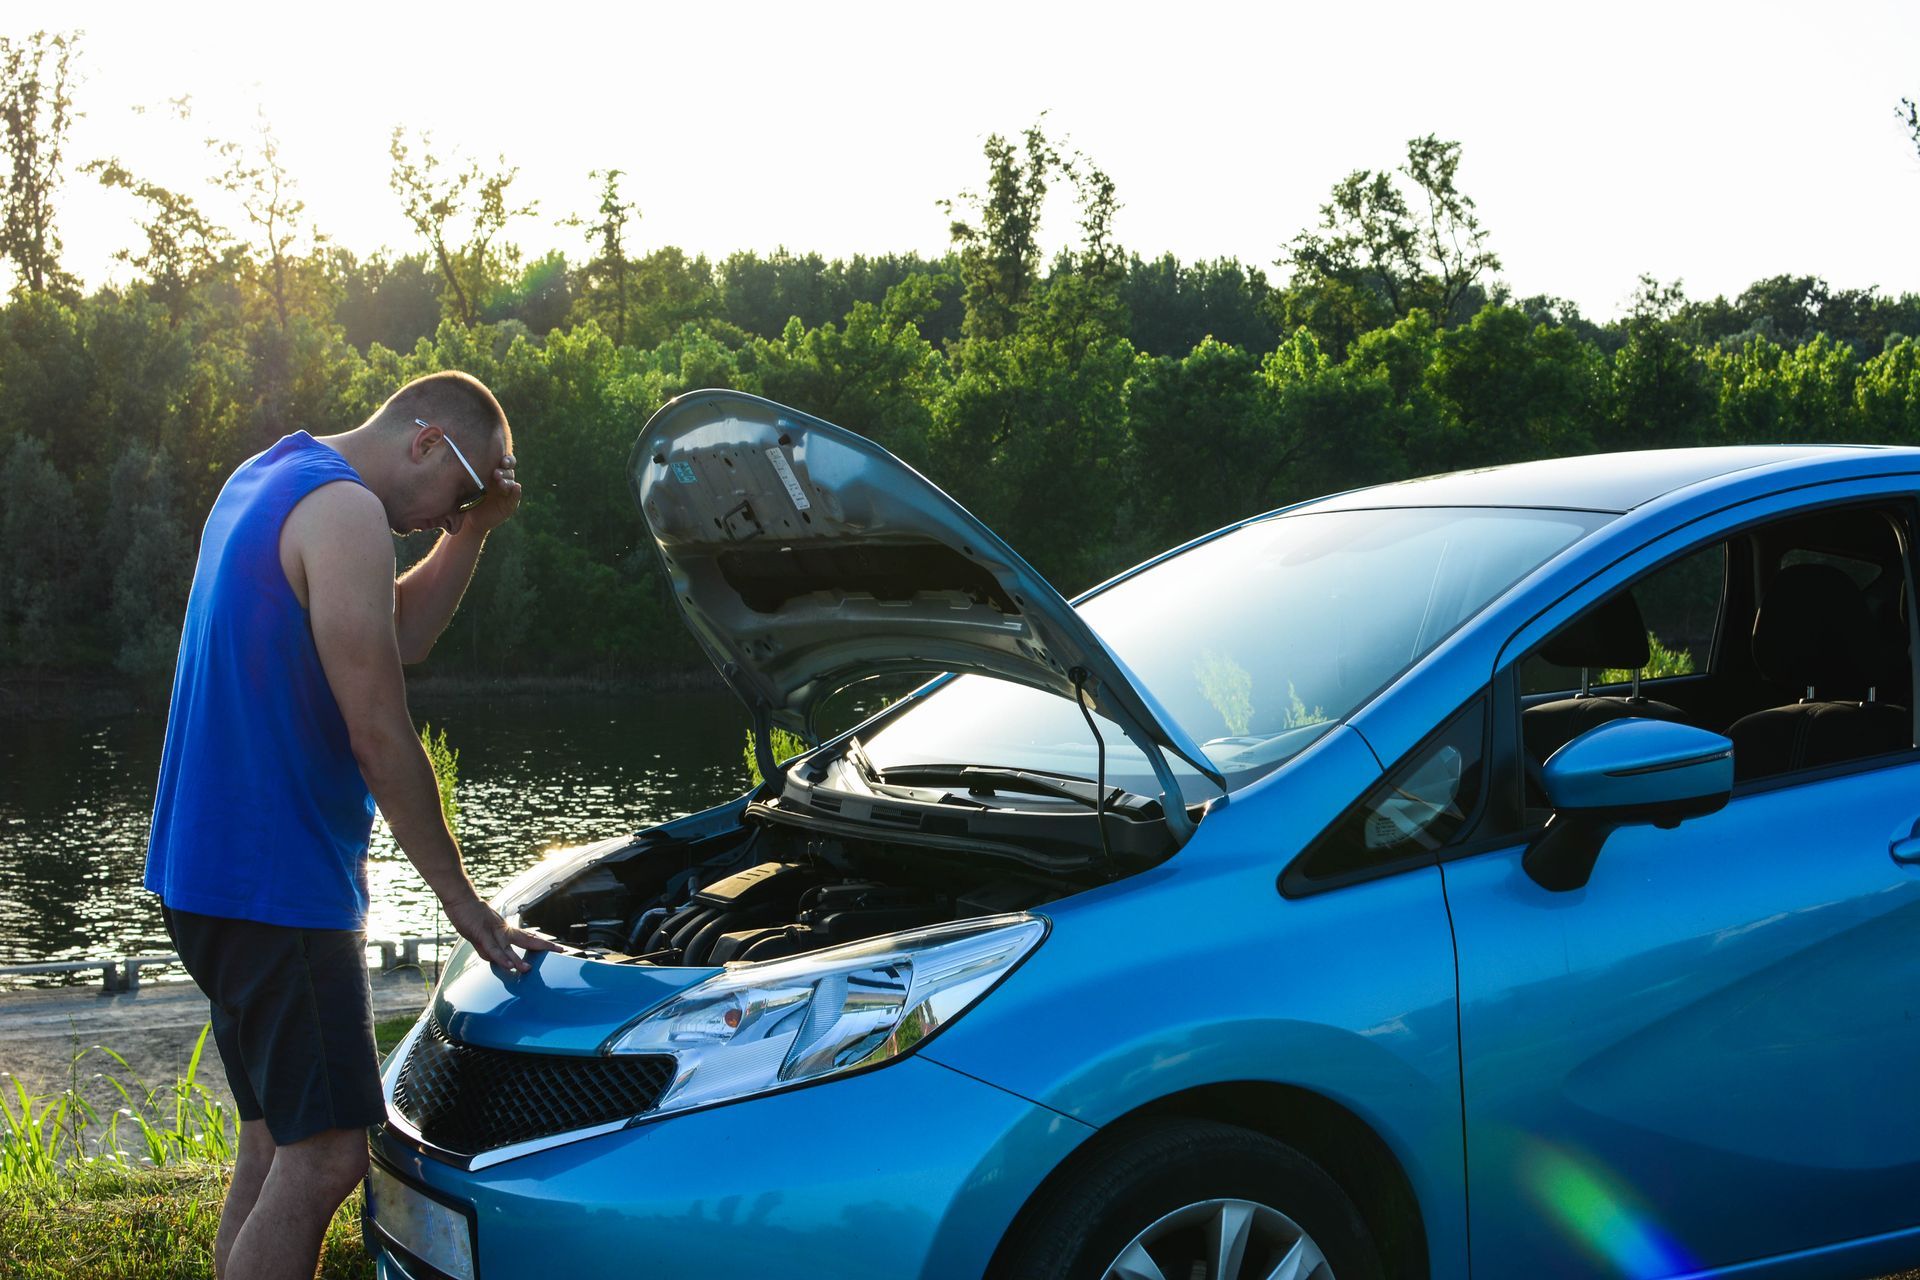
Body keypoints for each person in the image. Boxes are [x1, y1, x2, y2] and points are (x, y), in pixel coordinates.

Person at [143, 370, 555, 1280]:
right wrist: (464, 901)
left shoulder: (267, 476)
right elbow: (379, 729)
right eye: (465, 489)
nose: (454, 512)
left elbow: (397, 630)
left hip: (202, 877)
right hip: (276, 884)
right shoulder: (345, 513)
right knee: (328, 1154)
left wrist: (473, 534)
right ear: (423, 440)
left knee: (273, 1142)